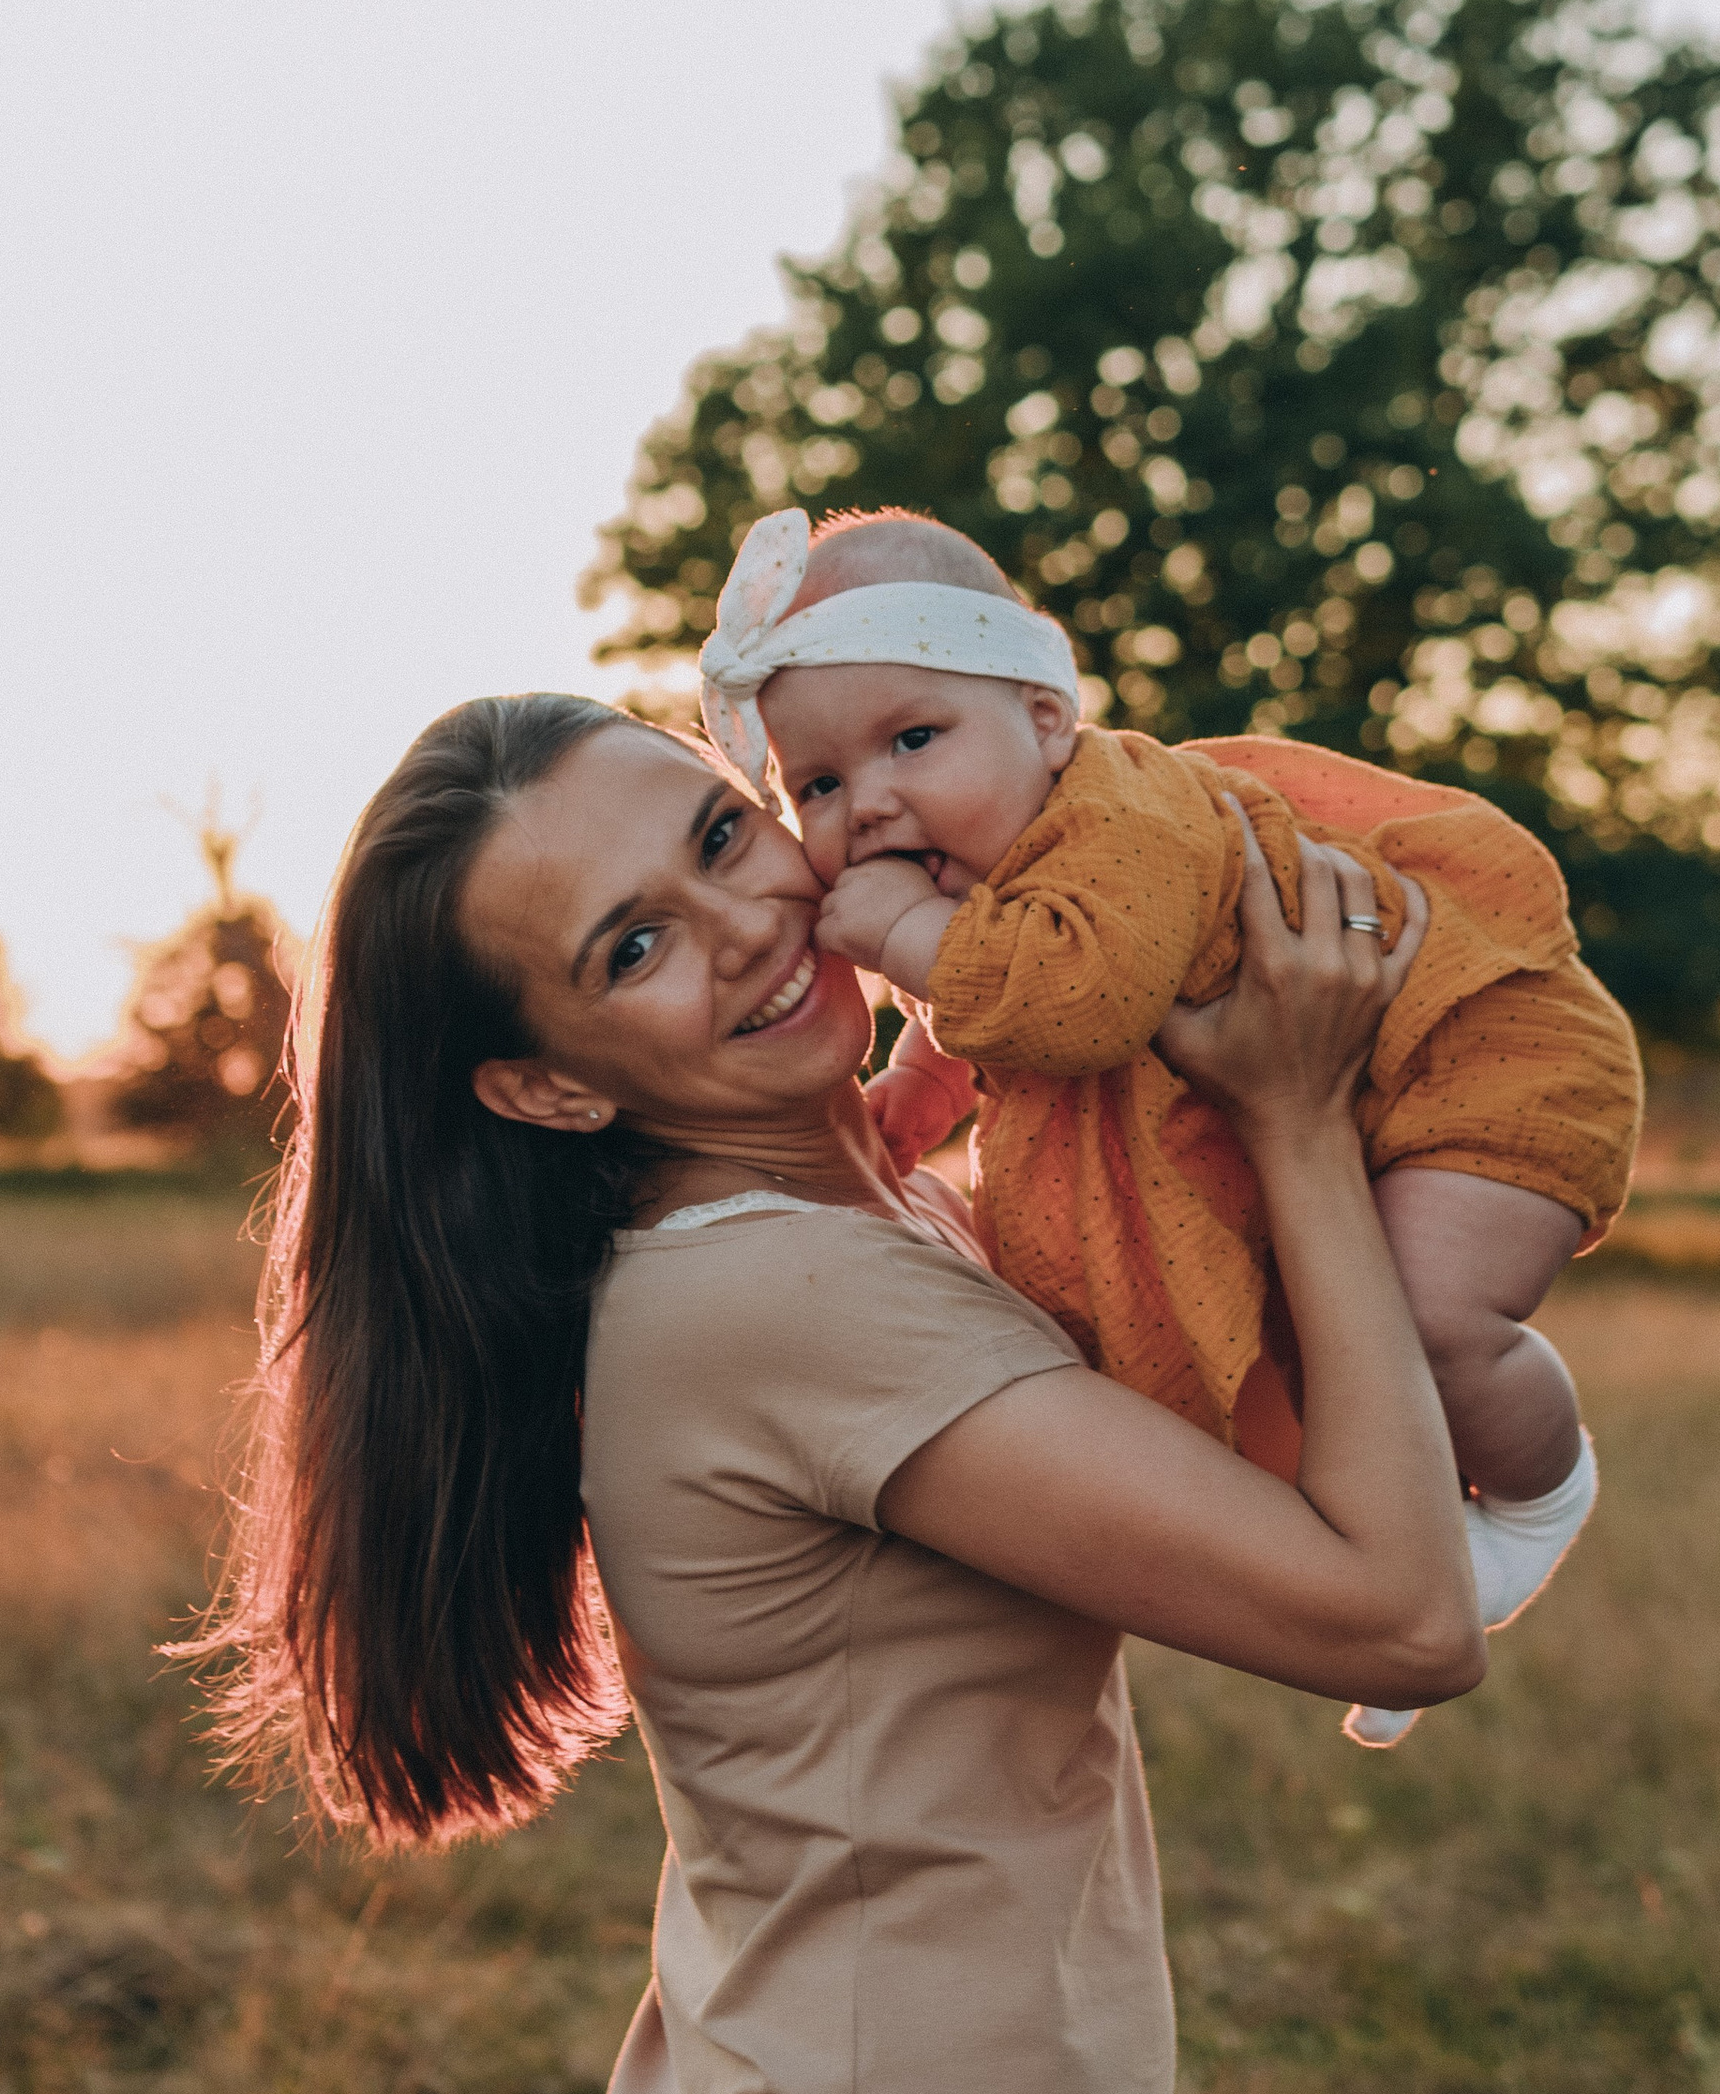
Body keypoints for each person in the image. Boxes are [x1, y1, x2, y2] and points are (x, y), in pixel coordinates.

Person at [196, 690, 1478, 2094]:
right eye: (630, 944)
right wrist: (1292, 1117)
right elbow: (1395, 1604)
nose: (749, 918)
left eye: (716, 831)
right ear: (548, 1081)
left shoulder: (838, 1210)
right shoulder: (779, 1296)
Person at [700, 505, 1643, 1744]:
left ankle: (1534, 1495)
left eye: (913, 739)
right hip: (1362, 1082)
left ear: (1046, 719)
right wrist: (923, 1090)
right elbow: (980, 1002)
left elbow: (1068, 1000)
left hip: (1485, 1055)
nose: (868, 802)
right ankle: (1394, 1550)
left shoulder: (1120, 820)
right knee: (1322, 1337)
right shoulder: (995, 861)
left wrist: (893, 936)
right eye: (816, 783)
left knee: (1424, 1315)